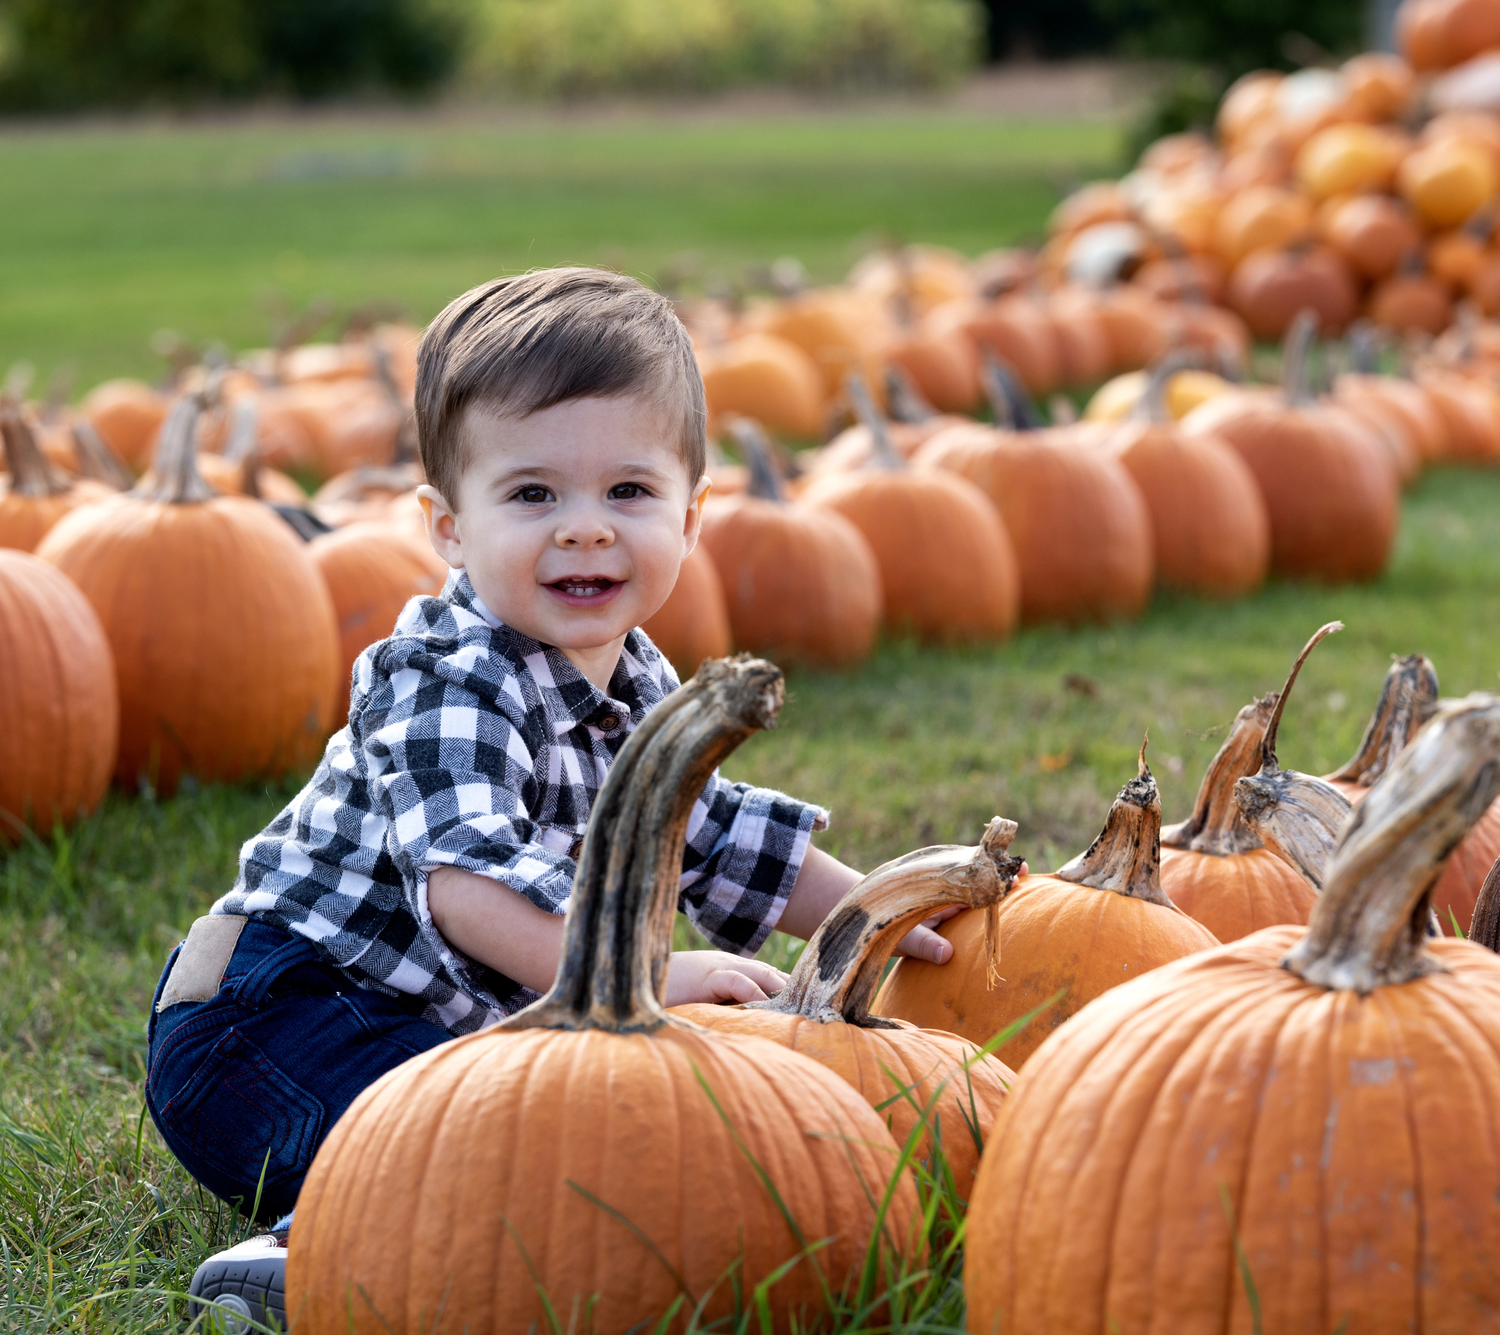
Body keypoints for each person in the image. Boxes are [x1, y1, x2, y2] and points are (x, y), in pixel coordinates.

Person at [146, 268, 958, 1331]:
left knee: (581, 1137)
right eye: (532, 495)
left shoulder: (635, 678)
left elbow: (707, 833)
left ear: (691, 513)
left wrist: (880, 920)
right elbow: (468, 888)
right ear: (446, 526)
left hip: (446, 1019)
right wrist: (648, 974)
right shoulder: (443, 675)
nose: (584, 529)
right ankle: (317, 1260)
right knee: (476, 1149)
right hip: (278, 1020)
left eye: (627, 493)